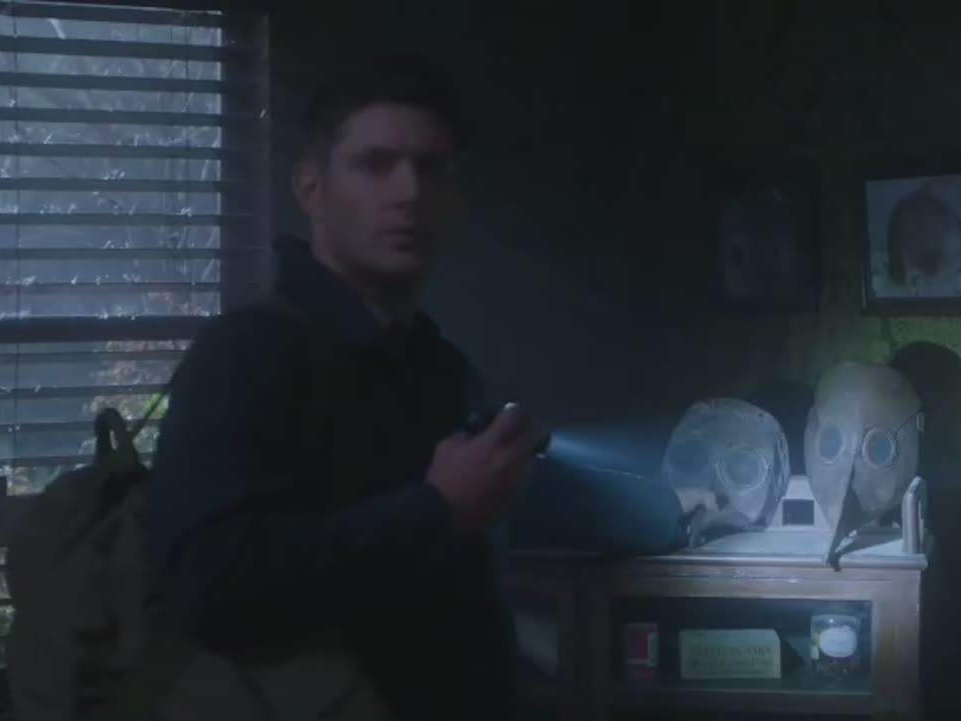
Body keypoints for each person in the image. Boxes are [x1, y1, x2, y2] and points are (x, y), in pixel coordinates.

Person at [142, 55, 718, 721]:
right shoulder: (248, 354)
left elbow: (526, 497)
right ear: (310, 187)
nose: (408, 191)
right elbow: (208, 586)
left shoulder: (437, 367)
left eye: (430, 167)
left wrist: (675, 508)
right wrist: (437, 509)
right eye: (374, 165)